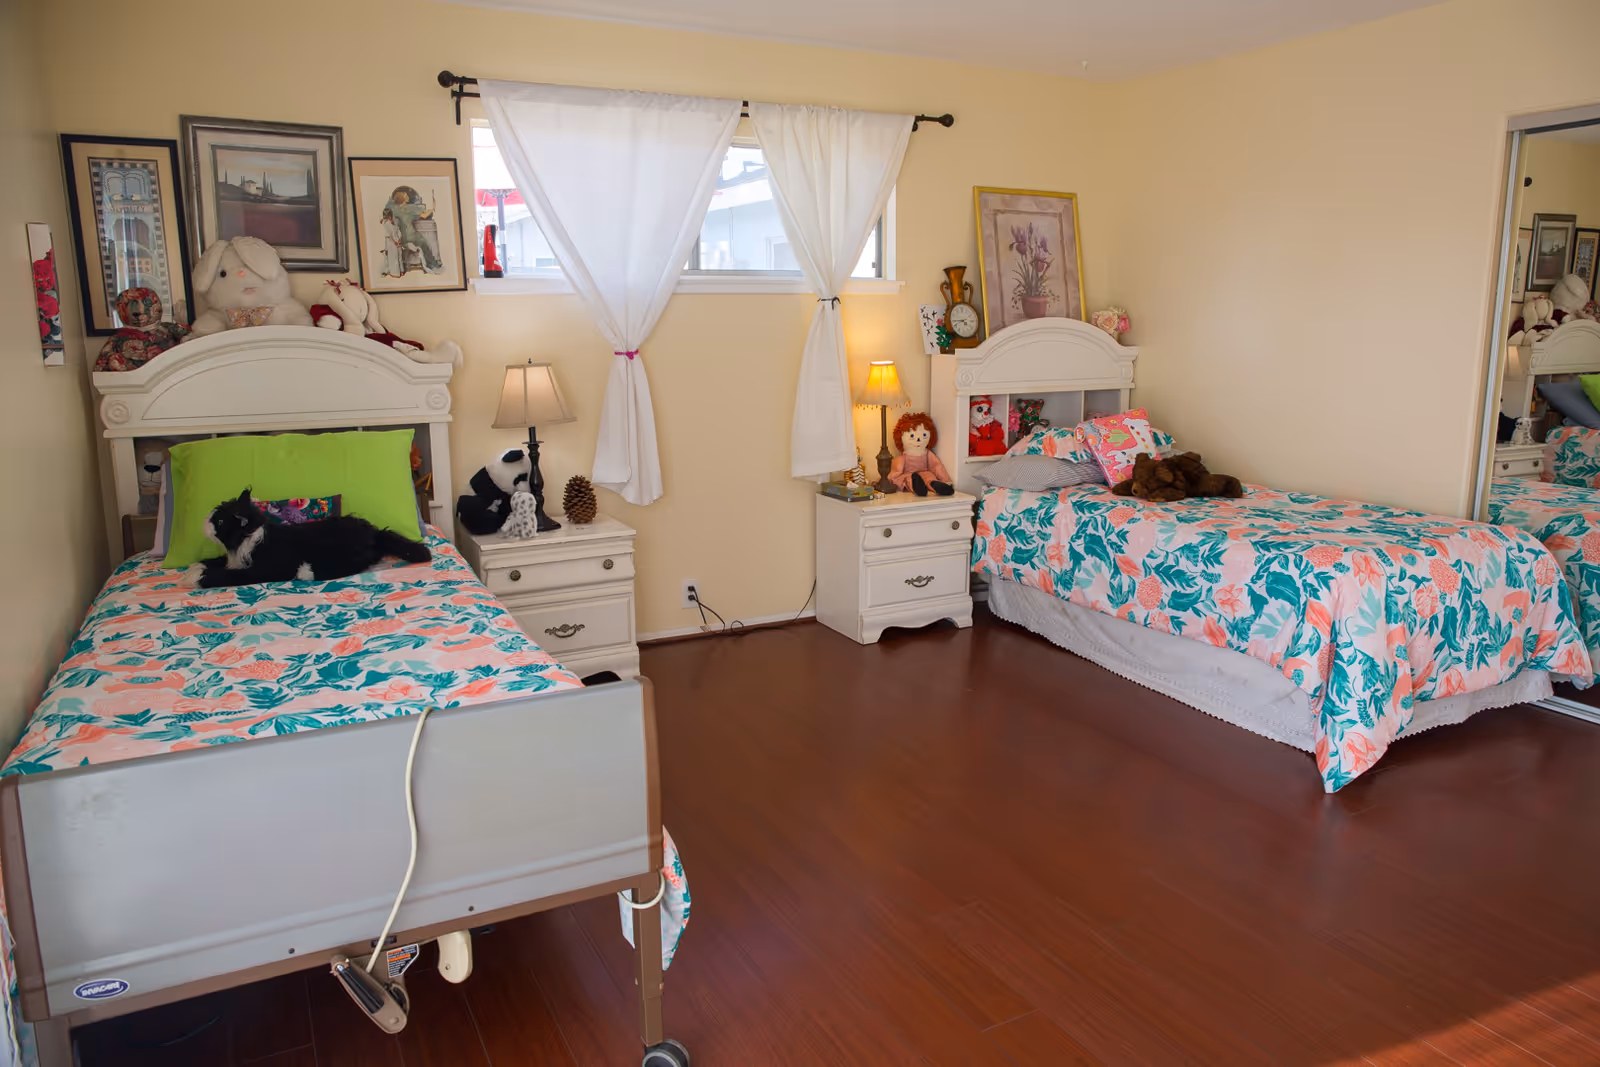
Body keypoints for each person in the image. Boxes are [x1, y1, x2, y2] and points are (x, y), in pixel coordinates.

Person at [384, 186, 441, 274]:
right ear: (404, 199)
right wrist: (433, 208)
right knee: (424, 243)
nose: (408, 197)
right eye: (406, 196)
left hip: (398, 238)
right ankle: (433, 264)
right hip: (410, 237)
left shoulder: (393, 209)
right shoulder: (409, 209)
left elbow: (389, 204)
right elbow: (424, 215)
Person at [379, 208, 405, 278]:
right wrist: (395, 242)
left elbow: (398, 231)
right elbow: (388, 235)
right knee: (394, 257)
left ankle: (401, 271)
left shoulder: (394, 222)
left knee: (399, 256)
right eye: (389, 216)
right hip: (391, 243)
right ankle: (395, 273)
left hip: (397, 241)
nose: (390, 217)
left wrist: (399, 239)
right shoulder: (386, 223)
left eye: (390, 216)